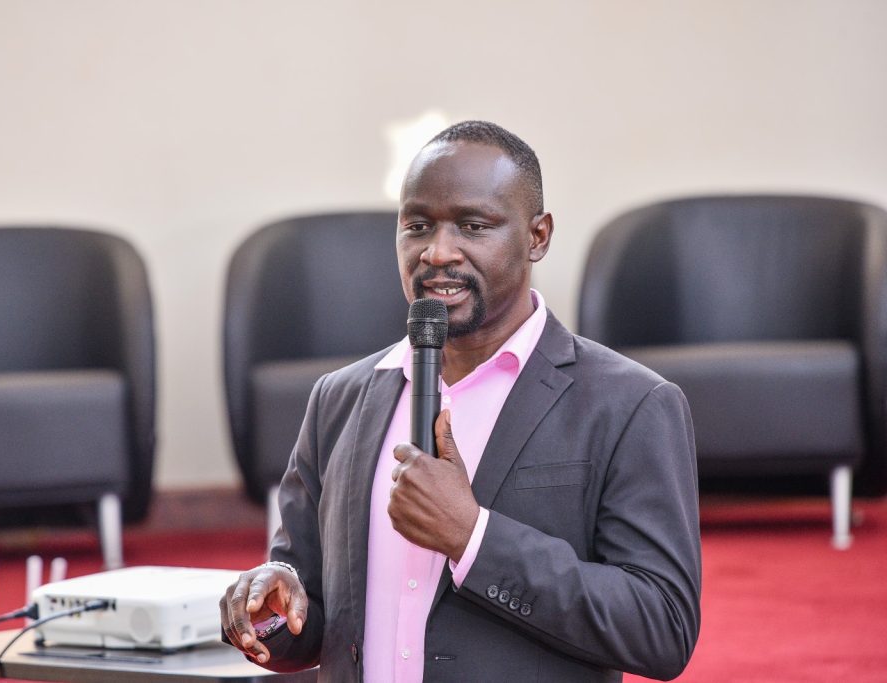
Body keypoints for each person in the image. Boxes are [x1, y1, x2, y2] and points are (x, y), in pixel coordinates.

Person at [220, 121, 701, 682]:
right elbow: (313, 600)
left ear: (538, 236)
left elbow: (662, 627)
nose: (438, 252)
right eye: (417, 225)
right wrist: (272, 609)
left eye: (473, 226)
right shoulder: (339, 400)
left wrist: (473, 537)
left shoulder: (630, 404)